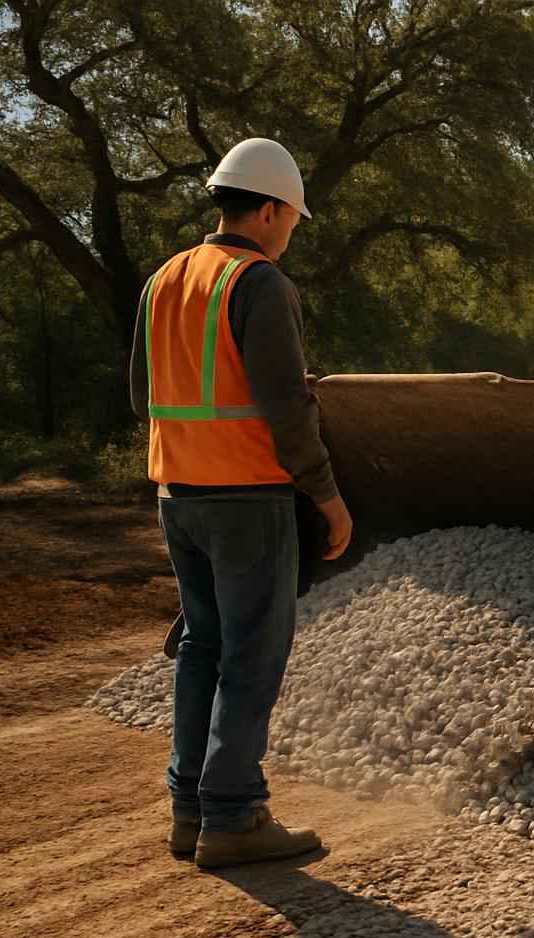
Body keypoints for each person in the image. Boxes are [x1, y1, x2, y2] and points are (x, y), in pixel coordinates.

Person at [128, 138, 353, 868]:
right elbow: (287, 409)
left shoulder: (164, 280)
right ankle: (233, 816)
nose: (289, 234)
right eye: (290, 220)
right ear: (267, 211)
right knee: (252, 654)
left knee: (203, 646)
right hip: (248, 500)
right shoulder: (260, 284)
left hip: (177, 496)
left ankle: (189, 810)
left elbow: (142, 396)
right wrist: (328, 496)